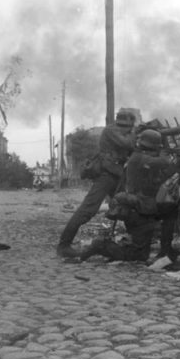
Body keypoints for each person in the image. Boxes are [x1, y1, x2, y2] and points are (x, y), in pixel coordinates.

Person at [81, 129, 180, 262]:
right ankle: (101, 246)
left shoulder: (141, 159)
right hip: (137, 210)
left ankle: (165, 250)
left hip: (144, 207)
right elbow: (164, 162)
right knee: (139, 256)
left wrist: (179, 164)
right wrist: (165, 155)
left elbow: (162, 177)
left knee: (171, 210)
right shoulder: (138, 158)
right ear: (150, 148)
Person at [56, 110, 137, 258]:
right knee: (87, 210)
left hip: (117, 175)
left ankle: (137, 243)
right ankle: (64, 245)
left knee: (127, 207)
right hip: (106, 175)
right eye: (127, 127)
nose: (127, 129)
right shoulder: (111, 131)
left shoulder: (122, 132)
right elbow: (128, 143)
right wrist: (134, 134)